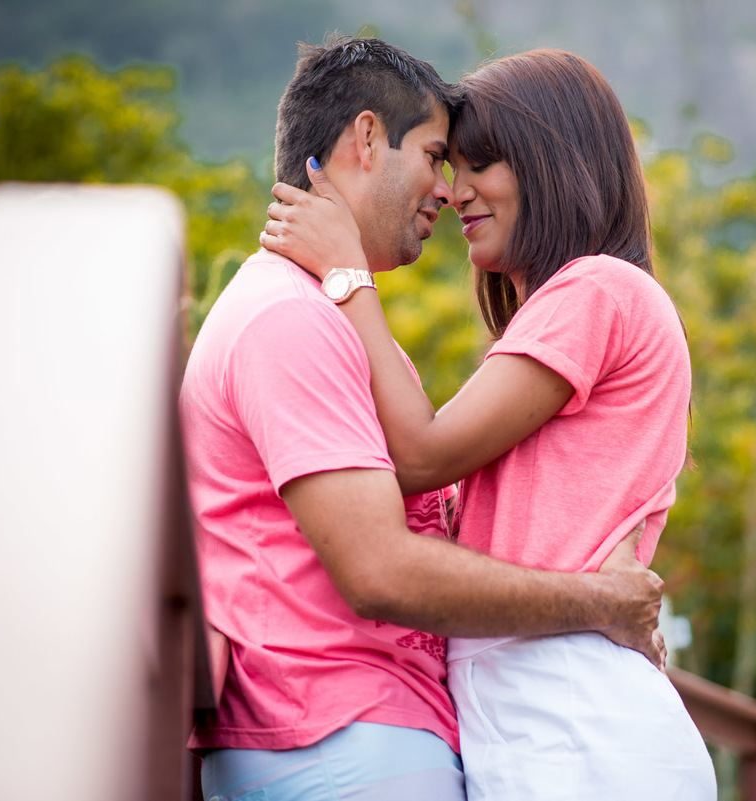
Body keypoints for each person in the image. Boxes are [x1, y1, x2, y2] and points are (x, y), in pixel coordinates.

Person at [180, 36, 666, 801]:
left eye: (473, 165)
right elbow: (383, 557)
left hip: (431, 726)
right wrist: (603, 600)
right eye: (441, 157)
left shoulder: (336, 318)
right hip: (342, 735)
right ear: (368, 139)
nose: (448, 188)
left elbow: (423, 464)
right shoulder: (292, 319)